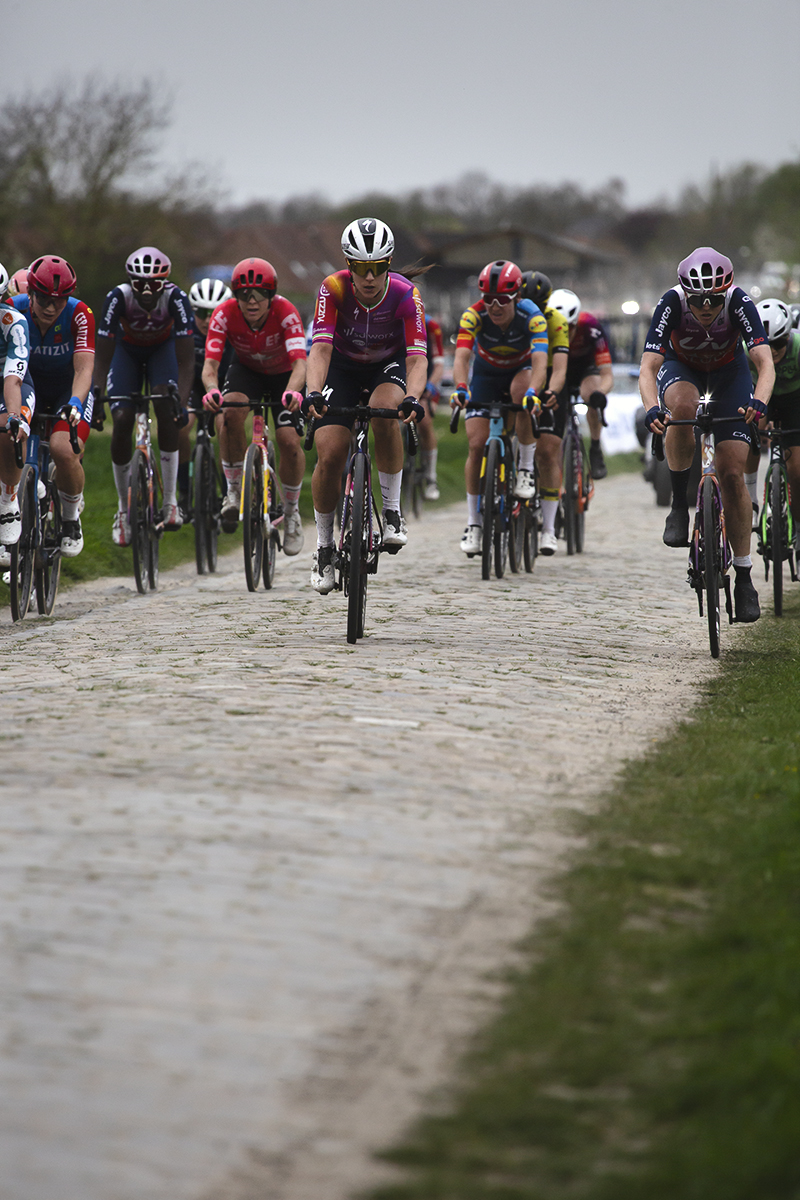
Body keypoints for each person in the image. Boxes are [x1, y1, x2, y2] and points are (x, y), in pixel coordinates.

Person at [639, 246, 774, 624]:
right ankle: (680, 505)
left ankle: (745, 577)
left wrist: (759, 403)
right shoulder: (671, 303)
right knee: (682, 408)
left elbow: (764, 363)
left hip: (730, 375)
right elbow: (648, 367)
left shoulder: (739, 302)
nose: (705, 306)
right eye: (697, 299)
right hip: (682, 369)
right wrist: (653, 408)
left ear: (725, 291)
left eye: (713, 299)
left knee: (732, 474)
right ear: (686, 292)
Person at [303, 217, 427, 594]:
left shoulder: (408, 294)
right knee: (330, 453)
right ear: (348, 264)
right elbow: (320, 348)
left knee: (386, 412)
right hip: (340, 367)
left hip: (384, 367)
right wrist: (312, 391)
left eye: (377, 269)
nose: (369, 278)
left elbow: (417, 358)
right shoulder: (333, 288)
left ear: (388, 264)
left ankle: (391, 511)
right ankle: (325, 547)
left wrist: (413, 400)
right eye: (360, 268)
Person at [201, 258, 307, 555]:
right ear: (235, 294)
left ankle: (292, 511)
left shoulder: (286, 312)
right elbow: (210, 366)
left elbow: (301, 364)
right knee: (230, 414)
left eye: (258, 294)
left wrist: (293, 392)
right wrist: (211, 391)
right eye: (243, 294)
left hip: (284, 375)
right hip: (246, 371)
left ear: (271, 296)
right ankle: (233, 491)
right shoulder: (224, 313)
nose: (251, 301)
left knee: (288, 439)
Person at [93, 246, 195, 541]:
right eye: (140, 283)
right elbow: (102, 357)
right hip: (126, 353)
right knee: (122, 417)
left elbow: (187, 361)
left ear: (165, 282)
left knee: (166, 406)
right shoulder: (118, 298)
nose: (147, 290)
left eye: (154, 283)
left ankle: (170, 501)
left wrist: (183, 402)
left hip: (162, 352)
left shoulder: (176, 298)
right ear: (130, 281)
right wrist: (97, 397)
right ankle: (124, 512)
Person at [450, 260, 548, 555]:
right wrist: (460, 388)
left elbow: (541, 360)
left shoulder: (532, 316)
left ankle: (526, 469)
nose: (494, 306)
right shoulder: (473, 315)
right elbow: (462, 357)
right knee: (476, 444)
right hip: (486, 375)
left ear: (517, 297)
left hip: (520, 371)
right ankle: (474, 523)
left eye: (501, 300)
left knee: (522, 395)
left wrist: (535, 391)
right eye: (488, 299)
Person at [11, 255, 95, 556]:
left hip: (66, 390)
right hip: (26, 385)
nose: (49, 308)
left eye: (58, 302)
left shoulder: (80, 314)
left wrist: (75, 402)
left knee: (63, 449)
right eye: (43, 299)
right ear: (30, 293)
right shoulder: (13, 309)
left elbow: (85, 369)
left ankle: (71, 519)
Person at [519, 271, 570, 554]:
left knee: (549, 451)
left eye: (539, 305)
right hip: (518, 372)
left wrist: (551, 391)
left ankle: (549, 529)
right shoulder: (512, 317)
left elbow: (560, 369)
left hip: (549, 374)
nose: (532, 311)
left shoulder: (556, 321)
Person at [547, 288, 614, 483]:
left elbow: (607, 375)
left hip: (585, 368)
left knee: (591, 394)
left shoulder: (591, 327)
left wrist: (600, 393)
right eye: (559, 327)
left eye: (570, 327)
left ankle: (595, 446)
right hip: (559, 367)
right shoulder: (543, 326)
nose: (565, 333)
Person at [745, 298, 800, 526]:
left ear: (789, 336)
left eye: (779, 343)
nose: (774, 351)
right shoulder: (745, 351)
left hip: (793, 401)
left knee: (796, 470)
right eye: (767, 345)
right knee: (750, 434)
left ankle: (797, 524)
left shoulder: (798, 348)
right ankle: (752, 500)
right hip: (761, 398)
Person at [180, 277, 232, 513]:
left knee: (225, 424)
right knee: (182, 424)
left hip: (221, 385)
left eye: (215, 312)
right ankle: (183, 490)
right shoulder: (185, 329)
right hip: (193, 385)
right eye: (201, 312)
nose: (208, 319)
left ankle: (227, 490)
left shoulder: (232, 330)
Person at [0, 261, 34, 558]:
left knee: (9, 430)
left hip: (10, 383)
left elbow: (13, 379)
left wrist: (13, 416)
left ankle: (9, 500)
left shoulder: (13, 321)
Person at [419, 314, 445, 500]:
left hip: (427, 380)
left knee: (425, 420)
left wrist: (431, 385)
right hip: (402, 377)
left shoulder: (431, 326)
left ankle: (431, 477)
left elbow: (439, 364)